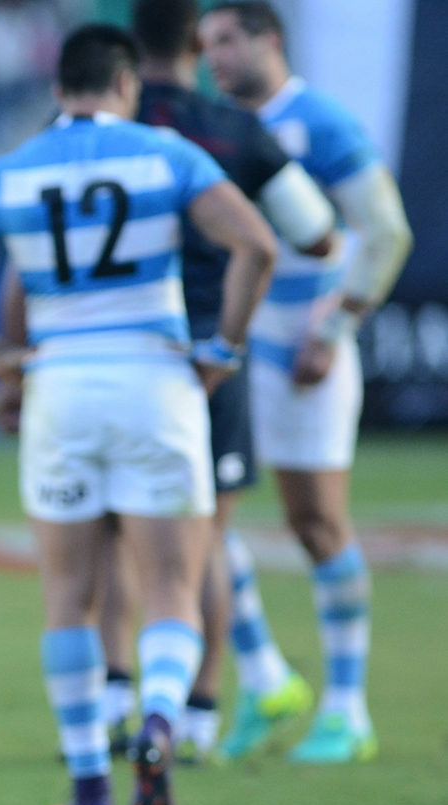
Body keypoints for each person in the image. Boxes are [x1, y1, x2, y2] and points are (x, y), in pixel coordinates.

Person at [0, 24, 277, 805]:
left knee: (66, 595)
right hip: (156, 378)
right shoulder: (164, 154)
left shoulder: (14, 168)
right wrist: (221, 349)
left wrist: (0, 357)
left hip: (60, 386)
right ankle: (160, 723)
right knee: (173, 583)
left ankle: (87, 786)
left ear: (57, 89)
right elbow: (255, 245)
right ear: (126, 85)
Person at [45, 0, 337, 765]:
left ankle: (111, 699)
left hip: (97, 356)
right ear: (193, 45)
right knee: (199, 541)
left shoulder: (71, 138)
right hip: (204, 355)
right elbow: (312, 232)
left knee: (104, 540)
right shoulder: (231, 131)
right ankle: (196, 714)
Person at [200, 2, 413, 763]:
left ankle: (347, 709)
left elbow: (384, 231)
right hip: (231, 340)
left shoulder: (317, 121)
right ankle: (263, 678)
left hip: (300, 345)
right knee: (201, 518)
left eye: (227, 40)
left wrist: (333, 327)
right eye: (204, 45)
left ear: (268, 39)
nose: (215, 57)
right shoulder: (212, 124)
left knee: (314, 523)